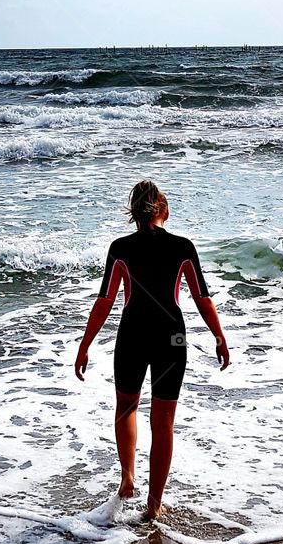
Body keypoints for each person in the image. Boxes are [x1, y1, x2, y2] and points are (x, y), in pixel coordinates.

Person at [75, 179, 229, 521]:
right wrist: (219, 336)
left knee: (126, 407)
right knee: (163, 423)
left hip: (132, 335)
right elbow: (202, 298)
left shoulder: (120, 248)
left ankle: (127, 480)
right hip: (171, 337)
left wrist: (85, 345)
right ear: (165, 211)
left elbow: (105, 300)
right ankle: (154, 504)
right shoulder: (183, 247)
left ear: (134, 213)